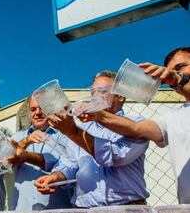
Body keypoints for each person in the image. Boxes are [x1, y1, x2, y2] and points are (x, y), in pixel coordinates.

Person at [78, 47, 190, 204]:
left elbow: (117, 155)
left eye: (180, 68)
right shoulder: (172, 118)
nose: (173, 75)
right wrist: (96, 116)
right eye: (93, 92)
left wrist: (179, 79)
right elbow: (137, 129)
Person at [35, 70, 150, 208]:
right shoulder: (84, 128)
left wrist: (72, 131)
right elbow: (70, 162)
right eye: (92, 92)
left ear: (120, 95)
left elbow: (115, 156)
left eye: (101, 91)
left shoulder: (136, 124)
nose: (95, 96)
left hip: (127, 209)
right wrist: (55, 177)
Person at [7, 96, 72, 211]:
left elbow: (59, 162)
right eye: (33, 109)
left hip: (57, 212)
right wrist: (26, 141)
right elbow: (5, 161)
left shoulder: (65, 136)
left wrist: (25, 156)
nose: (38, 113)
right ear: (28, 114)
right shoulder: (17, 137)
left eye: (42, 108)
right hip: (22, 211)